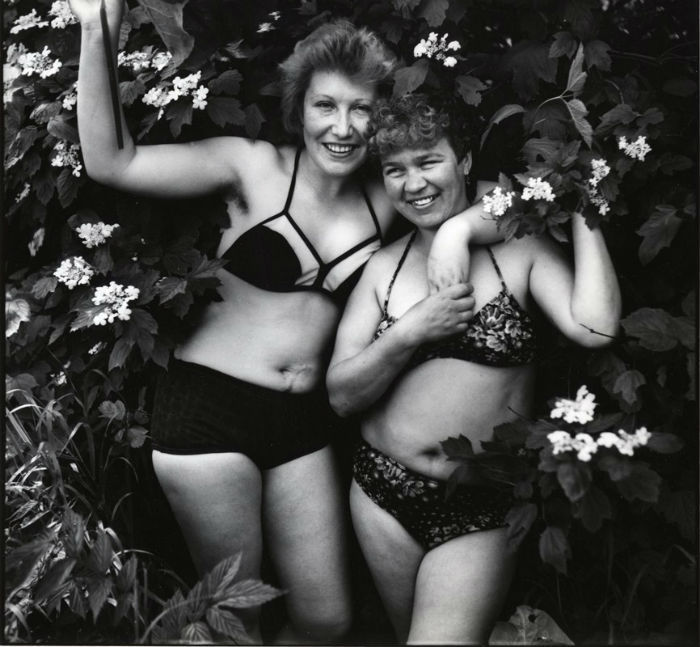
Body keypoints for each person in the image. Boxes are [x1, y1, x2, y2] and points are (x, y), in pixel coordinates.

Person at [68, 3, 503, 641]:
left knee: (326, 622)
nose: (343, 127)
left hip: (302, 421)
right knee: (234, 615)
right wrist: (94, 29)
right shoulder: (253, 166)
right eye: (326, 105)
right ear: (299, 108)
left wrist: (458, 232)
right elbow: (114, 162)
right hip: (209, 411)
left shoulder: (386, 197)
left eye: (361, 109)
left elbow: (514, 198)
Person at [327, 93, 622, 644]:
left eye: (428, 161)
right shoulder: (383, 268)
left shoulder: (520, 250)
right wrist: (411, 331)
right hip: (380, 493)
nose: (413, 183)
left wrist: (584, 209)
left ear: (462, 160)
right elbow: (341, 395)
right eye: (395, 170)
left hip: (480, 505)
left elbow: (597, 328)